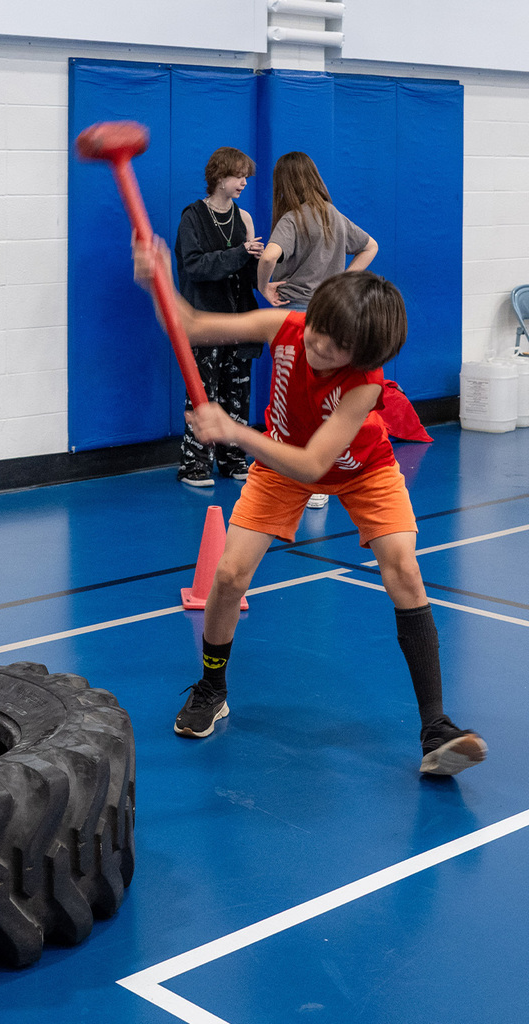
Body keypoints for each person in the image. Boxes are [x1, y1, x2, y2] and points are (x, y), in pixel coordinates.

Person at [134, 239, 487, 777]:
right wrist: (155, 280)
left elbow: (312, 463)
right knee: (228, 576)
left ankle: (436, 729)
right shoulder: (288, 328)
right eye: (319, 329)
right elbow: (192, 325)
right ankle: (212, 685)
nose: (318, 345)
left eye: (337, 345)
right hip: (280, 461)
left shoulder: (363, 385)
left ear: (364, 355)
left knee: (404, 570)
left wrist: (233, 431)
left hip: (361, 467)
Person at [257, 151, 379, 511]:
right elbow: (370, 246)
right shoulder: (333, 216)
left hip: (298, 321)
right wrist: (341, 284)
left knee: (294, 400)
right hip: (331, 319)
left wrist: (265, 286)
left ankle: (307, 477)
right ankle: (318, 473)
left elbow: (267, 257)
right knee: (325, 399)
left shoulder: (293, 219)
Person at [173, 147, 265, 487]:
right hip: (205, 321)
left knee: (237, 393)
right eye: (238, 175)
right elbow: (195, 266)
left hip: (238, 322)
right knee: (203, 394)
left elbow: (247, 270)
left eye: (245, 176)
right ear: (219, 177)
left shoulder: (244, 219)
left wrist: (265, 274)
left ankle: (232, 458)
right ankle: (194, 465)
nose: (243, 182)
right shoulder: (193, 217)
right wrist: (240, 252)